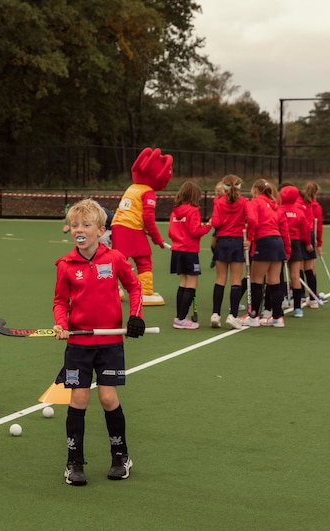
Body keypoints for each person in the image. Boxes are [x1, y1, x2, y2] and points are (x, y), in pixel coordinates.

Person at [52, 198, 145, 486]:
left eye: (86, 225)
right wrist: (61, 324)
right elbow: (60, 300)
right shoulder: (66, 265)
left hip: (109, 343)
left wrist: (135, 316)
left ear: (101, 230)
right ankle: (74, 462)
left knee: (107, 398)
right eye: (75, 225)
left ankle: (120, 456)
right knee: (79, 399)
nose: (79, 230)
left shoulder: (115, 259)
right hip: (78, 345)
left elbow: (135, 287)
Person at [112, 147, 173, 306]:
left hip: (118, 225)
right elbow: (148, 218)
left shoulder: (132, 187)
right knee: (144, 260)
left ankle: (112, 289)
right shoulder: (148, 192)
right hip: (131, 228)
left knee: (119, 260)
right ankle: (145, 292)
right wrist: (157, 239)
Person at [242, 180, 291, 328]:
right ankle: (277, 317)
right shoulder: (275, 205)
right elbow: (285, 230)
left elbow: (252, 220)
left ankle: (253, 316)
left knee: (256, 279)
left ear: (255, 190)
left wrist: (249, 239)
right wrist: (287, 250)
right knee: (274, 280)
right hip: (277, 242)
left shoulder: (255, 203)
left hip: (264, 241)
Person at [168, 181, 212, 330]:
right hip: (189, 251)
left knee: (183, 282)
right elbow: (195, 231)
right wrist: (208, 226)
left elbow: (170, 232)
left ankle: (179, 316)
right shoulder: (193, 211)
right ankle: (181, 318)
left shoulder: (175, 211)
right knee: (192, 283)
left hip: (177, 251)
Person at [209, 174, 249, 329]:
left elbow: (216, 223)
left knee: (220, 278)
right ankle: (232, 315)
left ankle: (215, 314)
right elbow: (252, 220)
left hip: (222, 242)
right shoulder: (244, 202)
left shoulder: (218, 202)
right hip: (237, 242)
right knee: (236, 279)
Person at [279, 185, 314, 318]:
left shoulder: (279, 210)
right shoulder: (299, 212)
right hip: (296, 244)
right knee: (295, 275)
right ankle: (298, 308)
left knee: (277, 275)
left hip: (281, 242)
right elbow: (305, 230)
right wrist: (308, 243)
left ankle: (278, 302)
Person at [302, 181, 324, 307]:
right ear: (316, 192)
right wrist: (319, 243)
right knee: (309, 267)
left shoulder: (299, 203)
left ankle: (300, 296)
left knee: (298, 267)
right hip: (309, 236)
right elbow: (318, 226)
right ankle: (313, 298)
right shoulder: (314, 206)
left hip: (299, 237)